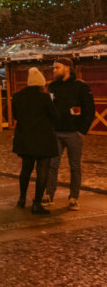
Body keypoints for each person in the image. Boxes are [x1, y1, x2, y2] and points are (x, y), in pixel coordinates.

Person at [42, 57, 95, 211]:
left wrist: (81, 131)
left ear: (67, 68)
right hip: (56, 132)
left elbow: (89, 110)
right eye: (53, 68)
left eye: (57, 67)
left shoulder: (81, 87)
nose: (54, 70)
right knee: (52, 165)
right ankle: (49, 194)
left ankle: (73, 197)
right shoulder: (52, 87)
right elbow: (48, 109)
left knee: (75, 166)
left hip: (73, 133)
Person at [12, 67, 59, 214]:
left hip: (25, 137)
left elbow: (15, 116)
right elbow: (55, 117)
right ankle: (37, 204)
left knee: (26, 169)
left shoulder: (18, 96)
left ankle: (22, 198)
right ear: (41, 83)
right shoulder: (44, 97)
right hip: (43, 139)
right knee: (42, 170)